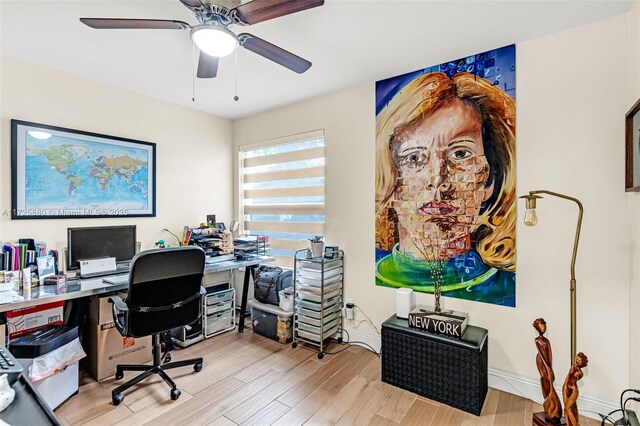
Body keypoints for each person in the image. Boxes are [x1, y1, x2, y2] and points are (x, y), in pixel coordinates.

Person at [375, 71, 516, 306]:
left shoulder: (507, 290)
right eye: (414, 158)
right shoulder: (373, 273)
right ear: (390, 181)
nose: (438, 179)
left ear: (490, 179)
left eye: (460, 154)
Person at [533, 318, 562, 423]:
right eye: (541, 325)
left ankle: (552, 409)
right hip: (542, 363)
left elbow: (550, 356)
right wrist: (549, 369)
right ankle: (550, 405)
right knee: (546, 382)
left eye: (544, 325)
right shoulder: (537, 340)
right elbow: (542, 356)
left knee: (550, 384)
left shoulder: (547, 341)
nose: (543, 328)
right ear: (537, 327)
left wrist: (551, 368)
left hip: (547, 365)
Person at [562, 352, 588, 426]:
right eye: (576, 359)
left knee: (568, 409)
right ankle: (569, 424)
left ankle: (575, 424)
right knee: (566, 409)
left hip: (573, 391)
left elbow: (577, 378)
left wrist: (577, 374)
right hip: (565, 388)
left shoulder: (580, 372)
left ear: (582, 363)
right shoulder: (573, 367)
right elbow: (568, 378)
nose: (576, 361)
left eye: (579, 361)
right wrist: (565, 387)